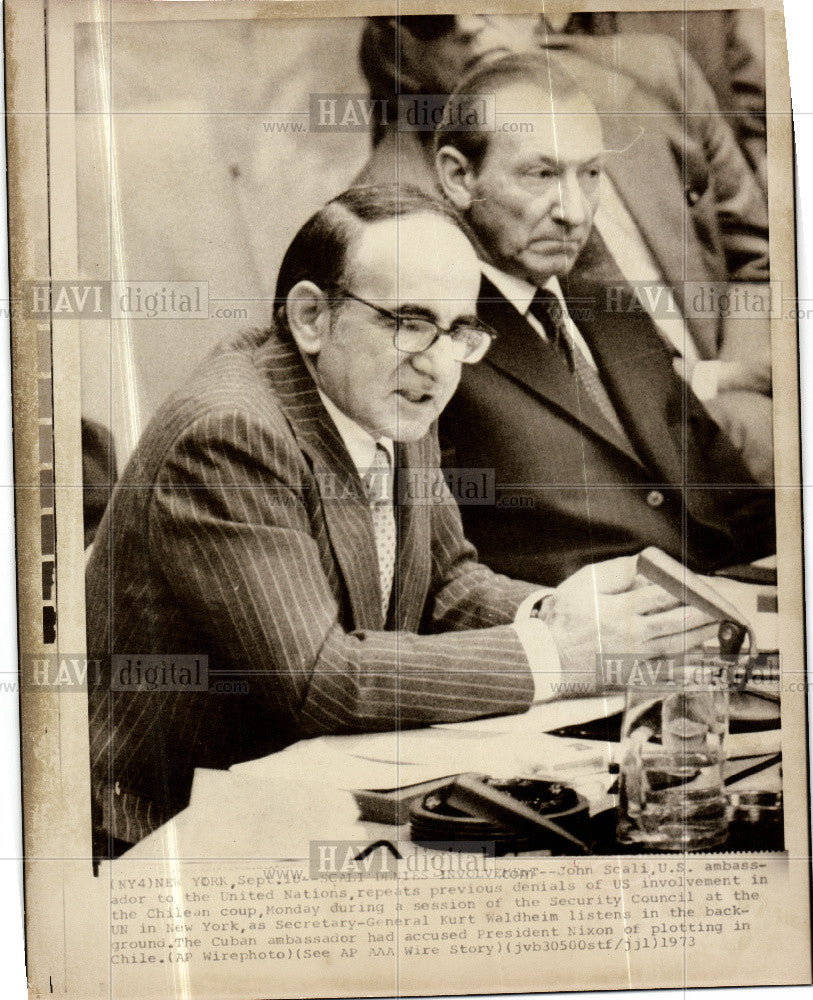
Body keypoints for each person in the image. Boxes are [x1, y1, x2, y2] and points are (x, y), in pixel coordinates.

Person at [85, 186, 713, 854]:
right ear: (310, 316)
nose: (438, 362)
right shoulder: (230, 432)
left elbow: (447, 584)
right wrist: (560, 655)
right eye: (409, 321)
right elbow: (320, 680)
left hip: (313, 799)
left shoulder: (388, 387)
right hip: (164, 839)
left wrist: (558, 612)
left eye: (458, 331)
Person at [355, 15, 773, 481]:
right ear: (395, 42)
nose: (469, 21)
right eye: (430, 15)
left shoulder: (656, 75)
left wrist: (741, 384)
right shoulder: (392, 219)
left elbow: (760, 254)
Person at [433, 54, 775, 586]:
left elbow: (729, 493)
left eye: (590, 175)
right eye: (540, 174)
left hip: (727, 604)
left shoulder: (604, 305)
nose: (573, 210)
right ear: (458, 177)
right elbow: (448, 576)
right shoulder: (431, 340)